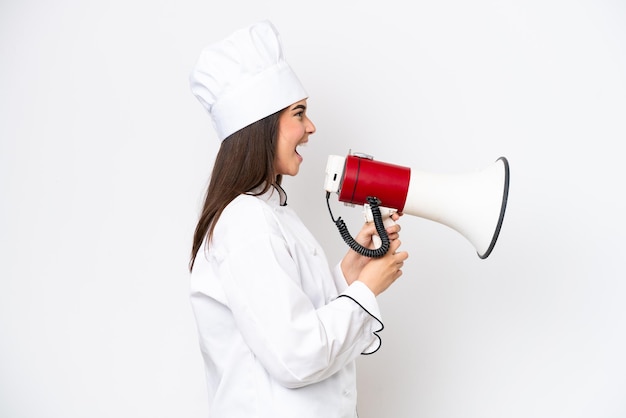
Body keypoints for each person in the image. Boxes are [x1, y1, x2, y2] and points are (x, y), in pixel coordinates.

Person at [188, 20, 409, 418]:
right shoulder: (245, 224)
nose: (311, 128)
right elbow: (295, 356)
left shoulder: (268, 214)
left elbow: (291, 322)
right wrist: (366, 293)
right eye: (299, 113)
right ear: (261, 125)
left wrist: (350, 274)